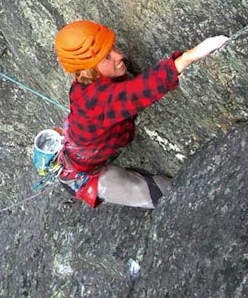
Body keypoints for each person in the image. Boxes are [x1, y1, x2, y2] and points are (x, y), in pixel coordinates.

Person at [52, 20, 228, 209]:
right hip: (82, 173)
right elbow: (140, 91)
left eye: (113, 48)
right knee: (171, 197)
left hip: (85, 149)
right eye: (106, 58)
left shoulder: (83, 84)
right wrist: (188, 57)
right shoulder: (97, 100)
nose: (119, 55)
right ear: (87, 70)